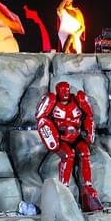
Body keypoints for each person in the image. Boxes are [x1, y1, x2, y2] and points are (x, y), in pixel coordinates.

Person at [35, 81, 103, 212]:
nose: (65, 93)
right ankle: (64, 189)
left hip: (77, 137)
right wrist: (51, 138)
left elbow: (88, 115)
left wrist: (89, 132)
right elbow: (41, 119)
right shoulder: (52, 102)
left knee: (85, 153)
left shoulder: (78, 100)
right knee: (68, 155)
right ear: (57, 91)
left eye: (67, 90)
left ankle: (88, 188)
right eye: (62, 91)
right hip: (62, 139)